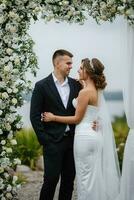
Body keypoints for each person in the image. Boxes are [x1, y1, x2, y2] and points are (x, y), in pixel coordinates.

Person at [42, 58, 120, 200]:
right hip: (94, 136)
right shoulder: (95, 90)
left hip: (84, 137)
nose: (78, 70)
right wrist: (84, 84)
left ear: (88, 72)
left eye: (81, 68)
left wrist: (53, 117)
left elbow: (77, 119)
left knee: (84, 179)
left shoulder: (85, 93)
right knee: (93, 177)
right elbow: (94, 112)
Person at [30, 49, 82, 200]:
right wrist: (45, 140)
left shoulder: (76, 85)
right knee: (50, 181)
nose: (71, 66)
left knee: (68, 182)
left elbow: (83, 110)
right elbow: (34, 116)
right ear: (57, 63)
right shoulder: (41, 86)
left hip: (72, 141)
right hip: (52, 141)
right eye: (68, 63)